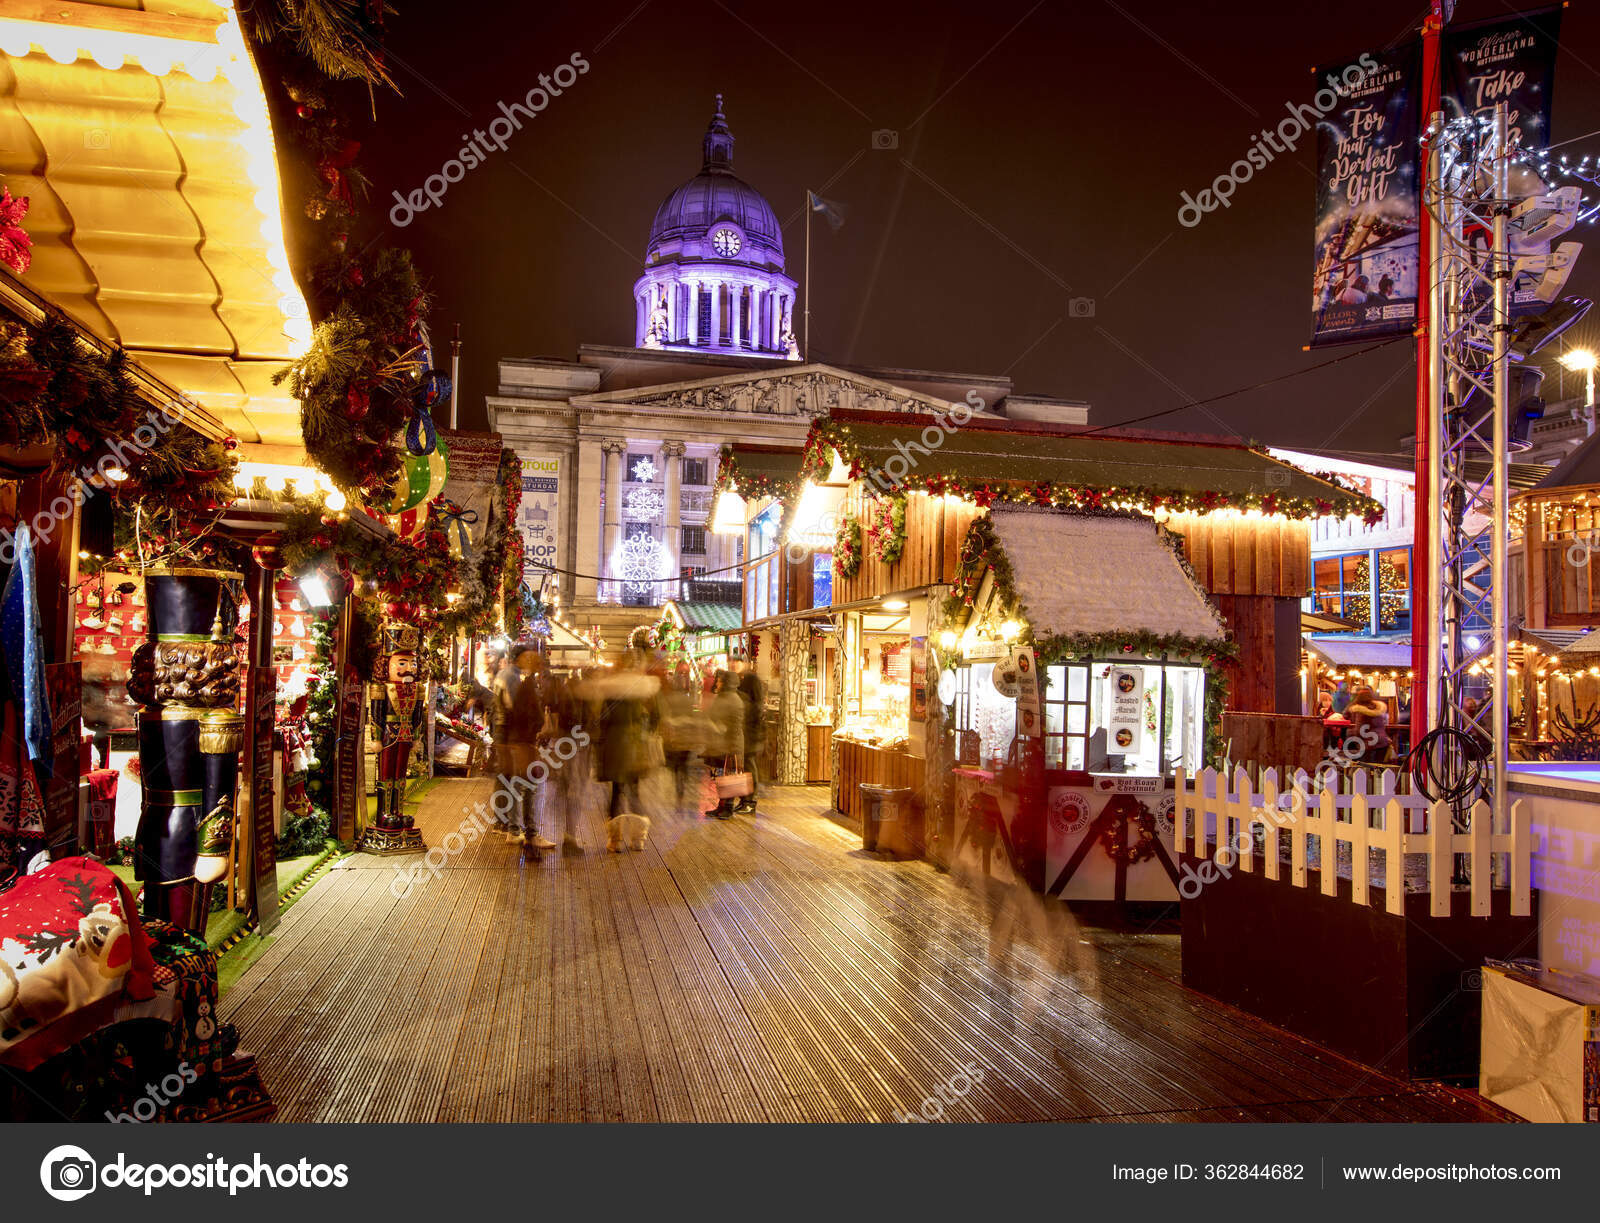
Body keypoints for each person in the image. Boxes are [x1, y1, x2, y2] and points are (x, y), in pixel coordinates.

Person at [505, 646, 557, 856]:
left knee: (525, 786)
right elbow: (523, 714)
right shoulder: (526, 685)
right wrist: (537, 732)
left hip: (522, 741)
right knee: (531, 787)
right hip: (524, 742)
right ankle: (530, 833)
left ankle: (522, 831)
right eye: (535, 660)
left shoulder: (527, 683)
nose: (540, 663)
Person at [596, 649, 659, 821]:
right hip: (636, 744)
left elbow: (602, 720)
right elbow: (655, 718)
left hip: (615, 744)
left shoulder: (611, 688)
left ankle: (614, 837)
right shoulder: (644, 688)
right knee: (634, 792)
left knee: (617, 792)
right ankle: (639, 834)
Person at [704, 670, 746, 819]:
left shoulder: (730, 699)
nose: (718, 683)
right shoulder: (727, 697)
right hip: (727, 743)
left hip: (730, 744)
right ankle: (722, 806)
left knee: (729, 777)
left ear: (727, 683)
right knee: (723, 776)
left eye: (721, 681)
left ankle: (727, 808)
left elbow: (718, 719)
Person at [659, 672, 704, 811]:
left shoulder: (668, 699)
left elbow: (664, 717)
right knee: (683, 768)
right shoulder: (688, 700)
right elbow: (693, 719)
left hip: (673, 739)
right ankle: (681, 791)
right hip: (685, 739)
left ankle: (677, 790)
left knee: (675, 767)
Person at [735, 659, 767, 814]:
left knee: (749, 765)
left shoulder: (751, 680)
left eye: (735, 664)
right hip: (744, 733)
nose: (733, 667)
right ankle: (744, 799)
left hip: (750, 734)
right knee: (744, 766)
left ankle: (750, 801)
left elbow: (755, 709)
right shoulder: (740, 681)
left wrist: (750, 727)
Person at [1344, 685, 1391, 763]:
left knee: (1366, 768)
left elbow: (1359, 729)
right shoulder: (1377, 708)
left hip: (1368, 744)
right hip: (1382, 742)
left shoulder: (1360, 710)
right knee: (1379, 768)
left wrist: (1349, 733)